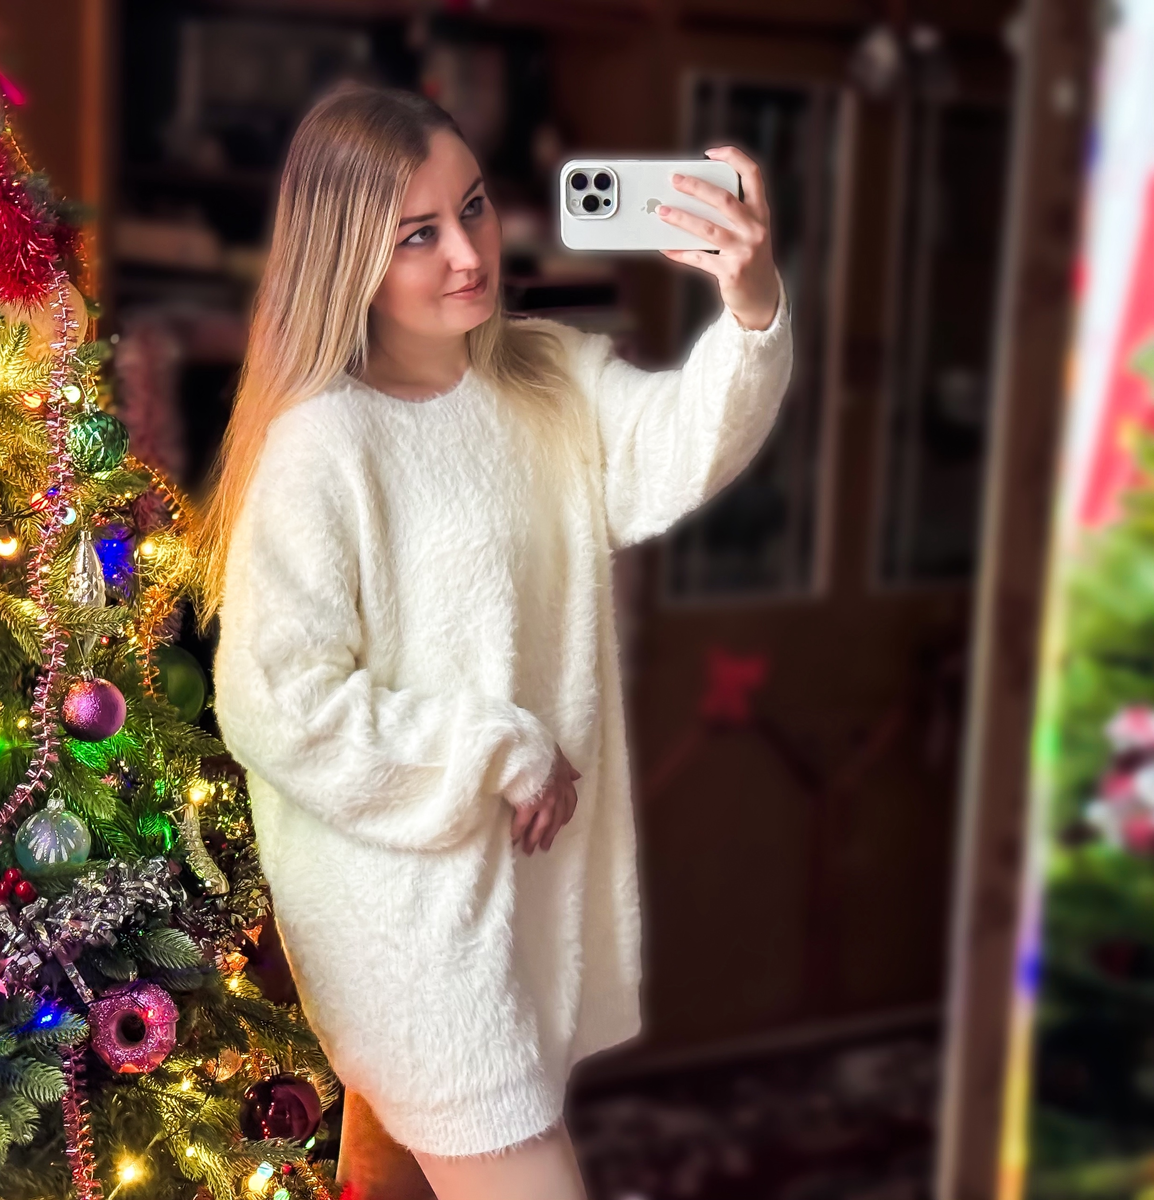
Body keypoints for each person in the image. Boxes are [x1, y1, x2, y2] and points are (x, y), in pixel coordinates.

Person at [199, 80, 792, 1200]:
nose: (469, 254)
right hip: (410, 922)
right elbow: (275, 700)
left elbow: (683, 444)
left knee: (388, 1177)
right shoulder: (323, 447)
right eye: (417, 234)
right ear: (348, 256)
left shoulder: (549, 378)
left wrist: (750, 302)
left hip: (524, 904)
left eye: (471, 208)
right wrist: (497, 746)